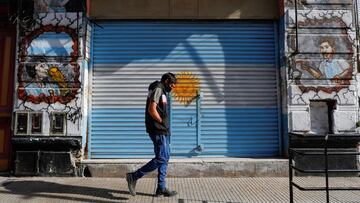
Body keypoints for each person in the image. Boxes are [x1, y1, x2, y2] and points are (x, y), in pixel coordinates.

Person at [126, 72, 177, 197]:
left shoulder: (161, 90)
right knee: (161, 158)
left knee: (165, 157)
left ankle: (161, 187)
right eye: (172, 84)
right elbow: (151, 109)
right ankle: (133, 176)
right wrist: (161, 122)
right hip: (158, 129)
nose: (173, 87)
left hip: (162, 130)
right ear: (166, 81)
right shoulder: (158, 88)